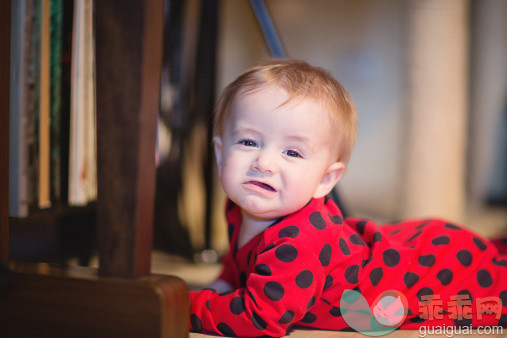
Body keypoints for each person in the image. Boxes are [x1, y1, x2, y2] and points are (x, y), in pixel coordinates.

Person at [189, 59, 506, 337]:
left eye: (291, 151)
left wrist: (187, 305)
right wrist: (222, 284)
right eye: (248, 142)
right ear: (220, 156)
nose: (263, 163)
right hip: (399, 247)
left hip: (432, 271)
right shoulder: (241, 203)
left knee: (492, 293)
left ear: (324, 180)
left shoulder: (299, 241)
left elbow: (260, 317)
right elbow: (239, 262)